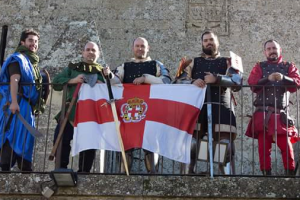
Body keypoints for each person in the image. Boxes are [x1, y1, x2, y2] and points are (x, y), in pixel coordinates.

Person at [175, 30, 242, 174]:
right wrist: (193, 81)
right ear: (202, 43)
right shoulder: (193, 62)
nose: (208, 42)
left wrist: (217, 79)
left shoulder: (228, 61)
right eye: (205, 40)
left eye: (211, 39)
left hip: (222, 106)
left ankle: (226, 182)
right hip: (197, 106)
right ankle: (186, 179)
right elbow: (178, 82)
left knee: (225, 145)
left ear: (217, 42)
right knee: (191, 144)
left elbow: (237, 83)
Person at [104, 37, 171, 173]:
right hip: (129, 111)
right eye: (137, 46)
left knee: (150, 144)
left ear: (148, 48)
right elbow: (115, 81)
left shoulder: (156, 64)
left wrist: (146, 78)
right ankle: (124, 175)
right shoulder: (125, 66)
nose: (140, 48)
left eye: (142, 46)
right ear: (133, 48)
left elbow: (166, 81)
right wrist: (109, 75)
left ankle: (152, 176)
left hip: (151, 111)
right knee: (126, 143)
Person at [245, 40, 300, 176]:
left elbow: (297, 82)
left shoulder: (288, 66)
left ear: (280, 50)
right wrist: (267, 79)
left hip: (280, 113)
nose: (272, 51)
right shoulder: (259, 67)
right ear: (265, 52)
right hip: (262, 114)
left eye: (274, 48)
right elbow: (252, 84)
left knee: (286, 146)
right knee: (264, 148)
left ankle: (290, 175)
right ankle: (266, 176)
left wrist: (283, 77)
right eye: (269, 49)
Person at [52, 41, 106, 172]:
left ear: (98, 54)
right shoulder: (73, 69)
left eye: (93, 50)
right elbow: (56, 83)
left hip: (91, 113)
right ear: (83, 53)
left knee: (89, 143)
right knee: (61, 139)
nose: (90, 52)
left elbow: (111, 91)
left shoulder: (103, 73)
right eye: (88, 49)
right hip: (71, 110)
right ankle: (61, 169)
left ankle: (84, 171)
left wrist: (101, 84)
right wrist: (73, 80)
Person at [0, 29, 42, 171]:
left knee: (25, 137)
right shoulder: (18, 59)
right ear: (22, 42)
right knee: (12, 133)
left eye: (36, 41)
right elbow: (14, 79)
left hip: (26, 106)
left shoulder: (32, 63)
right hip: (16, 101)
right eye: (30, 40)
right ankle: (5, 167)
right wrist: (14, 101)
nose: (33, 44)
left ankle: (25, 167)